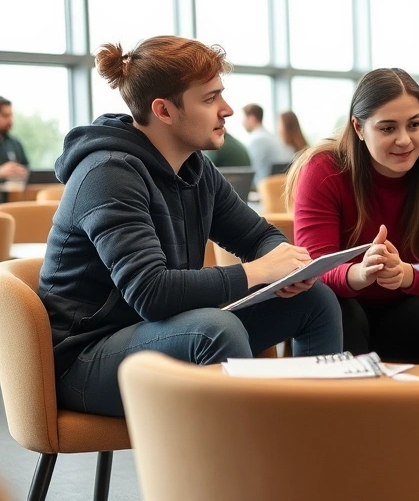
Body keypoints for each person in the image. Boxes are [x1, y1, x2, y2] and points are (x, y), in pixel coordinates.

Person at [39, 36, 344, 417]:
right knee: (214, 329)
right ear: (164, 111)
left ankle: (318, 442)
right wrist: (256, 271)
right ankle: (248, 472)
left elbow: (259, 236)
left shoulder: (196, 170)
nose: (227, 110)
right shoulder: (108, 173)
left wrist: (284, 270)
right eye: (210, 98)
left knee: (312, 300)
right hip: (84, 361)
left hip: (164, 332)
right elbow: (151, 292)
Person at [286, 68, 419, 368]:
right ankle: (348, 413)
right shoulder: (323, 169)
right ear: (359, 128)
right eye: (388, 128)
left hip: (410, 313)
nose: (404, 140)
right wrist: (360, 274)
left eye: (415, 124)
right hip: (345, 309)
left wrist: (404, 274)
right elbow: (315, 265)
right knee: (333, 305)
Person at [242, 103, 293, 184]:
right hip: (275, 186)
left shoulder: (257, 140)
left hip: (263, 187)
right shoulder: (271, 136)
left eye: (243, 118)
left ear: (251, 118)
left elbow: (250, 170)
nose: (242, 122)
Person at [0, 96, 30, 202]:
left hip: (13, 201)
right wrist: (1, 172)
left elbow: (26, 167)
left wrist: (21, 172)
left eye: (11, 115)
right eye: (5, 115)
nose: (10, 119)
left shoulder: (15, 143)